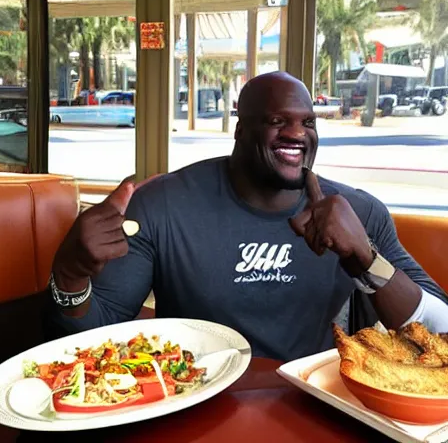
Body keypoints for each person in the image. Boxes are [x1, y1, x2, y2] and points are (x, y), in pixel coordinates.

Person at [46, 72, 448, 361]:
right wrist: (70, 276)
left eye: (307, 122)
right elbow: (93, 340)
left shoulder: (358, 212)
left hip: (311, 404)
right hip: (192, 402)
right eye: (278, 121)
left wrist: (365, 258)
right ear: (240, 131)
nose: (297, 133)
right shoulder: (162, 205)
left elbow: (441, 330)